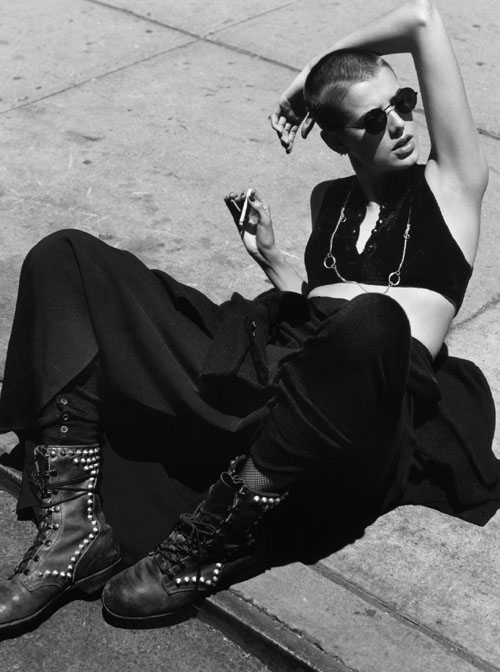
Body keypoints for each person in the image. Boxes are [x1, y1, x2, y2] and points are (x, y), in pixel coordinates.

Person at [0, 0, 497, 637]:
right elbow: (313, 308)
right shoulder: (329, 199)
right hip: (280, 369)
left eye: (403, 104)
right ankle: (74, 531)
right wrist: (272, 259)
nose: (399, 124)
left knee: (374, 321)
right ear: (336, 140)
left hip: (366, 411)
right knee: (65, 256)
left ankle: (216, 538)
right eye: (374, 120)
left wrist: (307, 74)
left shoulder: (452, 186)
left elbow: (423, 17)